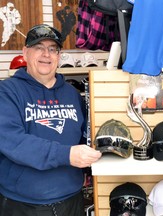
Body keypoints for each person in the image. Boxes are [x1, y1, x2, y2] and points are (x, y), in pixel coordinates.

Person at [0, 24, 102, 216]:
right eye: (39, 47)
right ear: (25, 52)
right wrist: (66, 155)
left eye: (52, 49)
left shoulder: (72, 94)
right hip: (22, 205)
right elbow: (13, 141)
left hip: (71, 201)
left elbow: (84, 137)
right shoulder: (7, 92)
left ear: (59, 55)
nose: (46, 54)